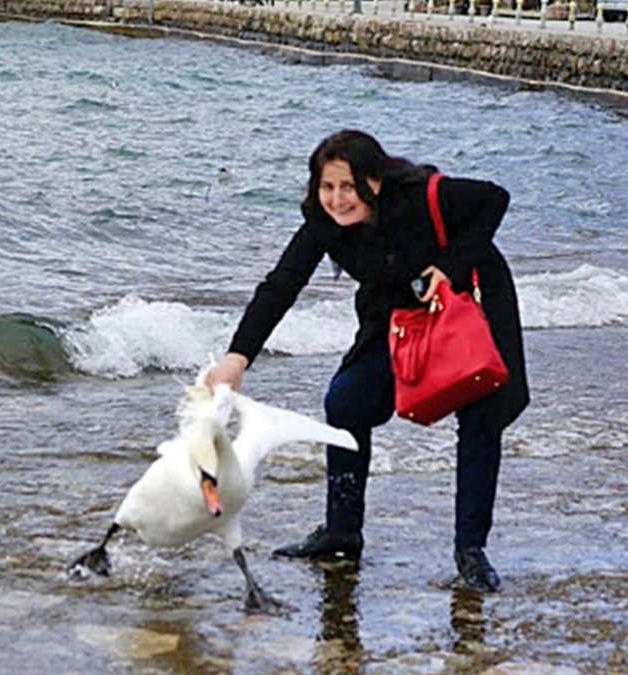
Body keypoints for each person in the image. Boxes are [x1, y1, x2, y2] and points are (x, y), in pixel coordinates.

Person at [205, 129, 528, 593]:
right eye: (326, 186)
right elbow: (281, 285)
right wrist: (238, 358)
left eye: (348, 186)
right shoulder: (323, 221)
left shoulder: (419, 198)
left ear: (374, 181)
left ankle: (470, 550)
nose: (337, 199)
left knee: (480, 416)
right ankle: (342, 532)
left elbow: (494, 199)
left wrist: (450, 267)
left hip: (467, 308)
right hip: (394, 317)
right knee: (347, 401)